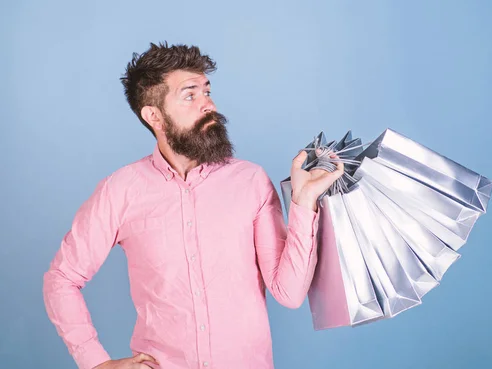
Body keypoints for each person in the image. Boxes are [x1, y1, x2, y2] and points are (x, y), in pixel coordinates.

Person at [43, 42, 344, 369]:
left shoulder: (251, 181)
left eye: (207, 91)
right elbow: (61, 278)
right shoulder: (121, 190)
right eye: (190, 95)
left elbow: (290, 293)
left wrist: (303, 202)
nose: (209, 104)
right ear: (154, 115)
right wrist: (95, 362)